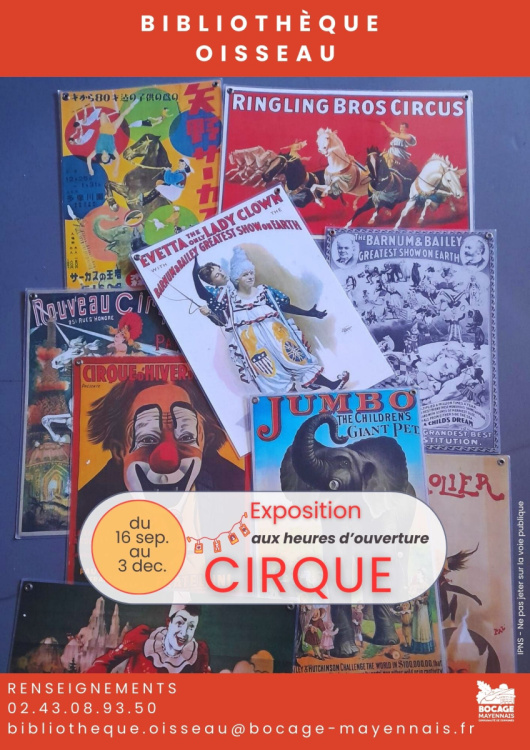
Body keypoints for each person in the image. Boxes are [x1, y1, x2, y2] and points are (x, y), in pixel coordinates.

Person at [194, 247, 349, 393]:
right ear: (213, 282)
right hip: (252, 340)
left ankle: (331, 384)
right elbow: (220, 318)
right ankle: (290, 398)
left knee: (294, 358)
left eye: (220, 270)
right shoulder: (225, 297)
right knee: (270, 371)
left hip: (276, 334)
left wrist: (309, 313)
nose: (222, 274)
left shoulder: (263, 291)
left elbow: (283, 306)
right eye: (217, 275)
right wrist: (209, 312)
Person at [86, 604, 210, 673]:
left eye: (191, 627)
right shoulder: (143, 639)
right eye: (179, 623)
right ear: (169, 622)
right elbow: (104, 662)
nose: (184, 633)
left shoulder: (196, 654)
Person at [86, 98, 139, 177]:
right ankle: (133, 104)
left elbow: (89, 158)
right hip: (112, 129)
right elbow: (117, 159)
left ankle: (109, 121)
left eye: (103, 159)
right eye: (106, 159)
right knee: (122, 115)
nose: (105, 158)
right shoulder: (111, 150)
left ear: (101, 157)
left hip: (104, 127)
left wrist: (90, 169)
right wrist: (116, 169)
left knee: (103, 114)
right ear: (108, 157)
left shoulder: (97, 150)